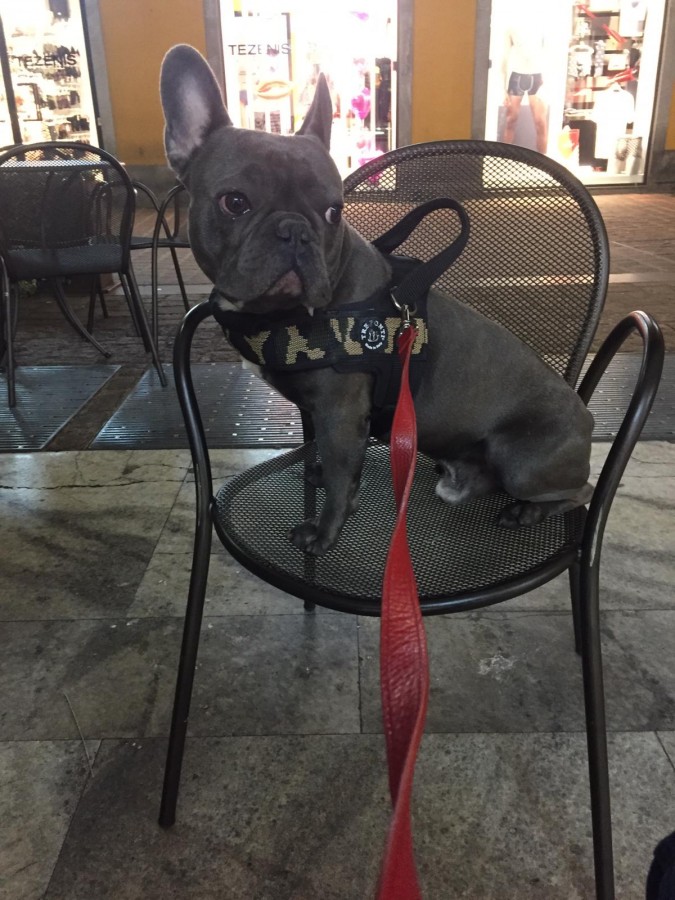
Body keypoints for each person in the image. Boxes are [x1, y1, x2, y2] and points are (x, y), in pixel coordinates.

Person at [501, 4, 548, 154]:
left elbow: (549, 53)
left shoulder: (541, 22)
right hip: (517, 75)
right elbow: (504, 58)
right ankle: (504, 159)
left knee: (540, 122)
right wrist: (503, 89)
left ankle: (543, 161)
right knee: (511, 120)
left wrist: (548, 84)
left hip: (537, 75)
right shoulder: (511, 26)